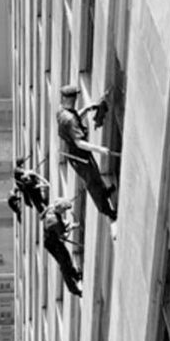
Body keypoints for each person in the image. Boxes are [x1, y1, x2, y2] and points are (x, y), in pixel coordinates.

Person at [56, 85, 117, 220]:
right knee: (92, 183)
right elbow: (79, 142)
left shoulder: (62, 111)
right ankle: (107, 211)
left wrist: (88, 109)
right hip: (79, 156)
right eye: (74, 97)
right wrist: (100, 149)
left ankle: (105, 192)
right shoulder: (69, 119)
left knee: (95, 174)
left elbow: (75, 117)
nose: (76, 99)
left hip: (77, 154)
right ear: (68, 98)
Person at [42, 198, 83, 297]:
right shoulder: (54, 222)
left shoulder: (51, 208)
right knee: (64, 265)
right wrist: (71, 227)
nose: (64, 212)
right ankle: (74, 289)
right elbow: (63, 236)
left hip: (52, 239)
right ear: (59, 208)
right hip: (52, 244)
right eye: (64, 210)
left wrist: (66, 224)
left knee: (67, 257)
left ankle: (76, 275)